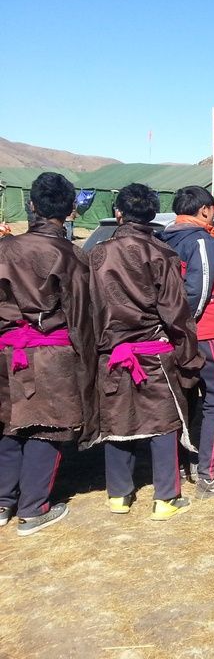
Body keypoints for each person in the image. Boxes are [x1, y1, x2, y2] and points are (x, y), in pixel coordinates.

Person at [90, 183, 203, 520]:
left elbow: (88, 310)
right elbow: (176, 312)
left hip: (112, 352)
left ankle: (119, 495)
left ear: (118, 213)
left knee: (117, 421)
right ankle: (165, 497)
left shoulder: (96, 254)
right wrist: (188, 355)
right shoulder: (162, 254)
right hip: (154, 350)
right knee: (163, 422)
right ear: (153, 214)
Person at [0, 172, 97, 536]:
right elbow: (83, 316)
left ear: (32, 205)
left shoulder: (4, 249)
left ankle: (3, 502)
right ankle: (33, 508)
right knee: (47, 427)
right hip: (51, 352)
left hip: (7, 350)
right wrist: (89, 365)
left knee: (8, 422)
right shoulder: (71, 255)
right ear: (72, 209)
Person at [159, 185, 214, 498]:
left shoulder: (165, 238)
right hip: (204, 333)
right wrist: (189, 327)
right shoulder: (200, 240)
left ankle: (184, 465)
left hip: (173, 333)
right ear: (205, 210)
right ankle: (211, 473)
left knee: (184, 401)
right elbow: (201, 286)